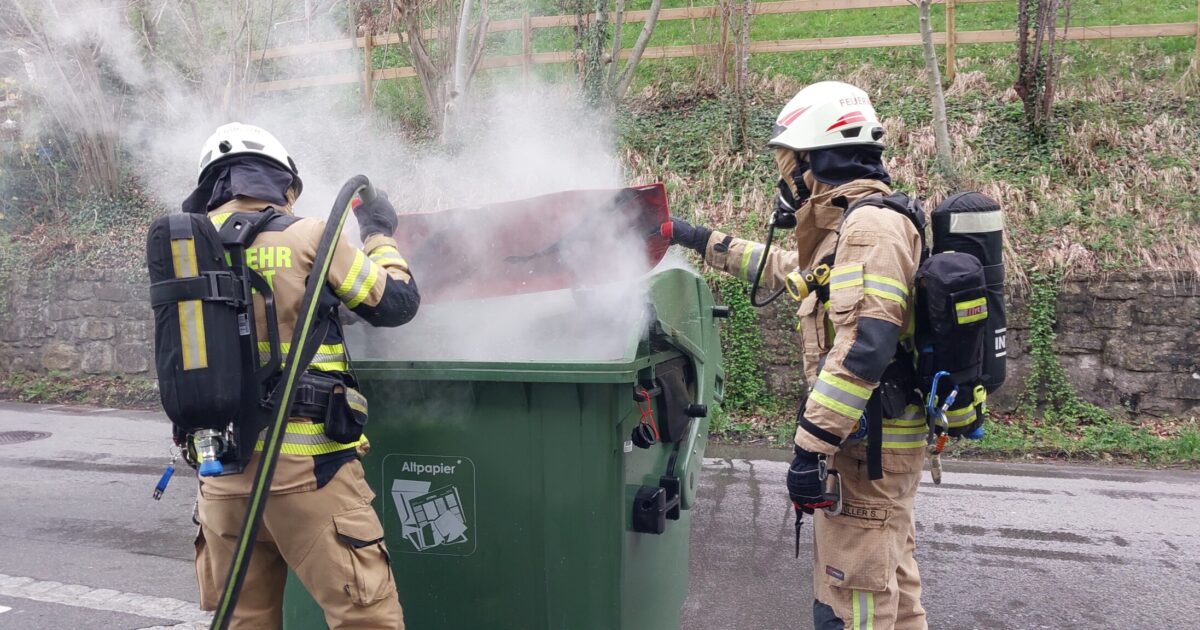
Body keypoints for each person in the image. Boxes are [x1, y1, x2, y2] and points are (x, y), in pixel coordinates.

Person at [670, 82, 927, 629]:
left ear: (816, 160)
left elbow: (864, 349)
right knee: (892, 584)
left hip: (867, 452)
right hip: (871, 444)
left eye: (789, 163)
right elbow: (791, 272)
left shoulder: (869, 228)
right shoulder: (852, 226)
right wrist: (694, 237)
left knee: (853, 601)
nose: (785, 179)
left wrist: (809, 449)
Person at [184, 122, 419, 629]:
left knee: (245, 621)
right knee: (366, 619)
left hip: (220, 483)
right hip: (310, 477)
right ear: (281, 182)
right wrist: (378, 234)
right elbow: (397, 303)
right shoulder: (308, 236)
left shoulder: (186, 252)